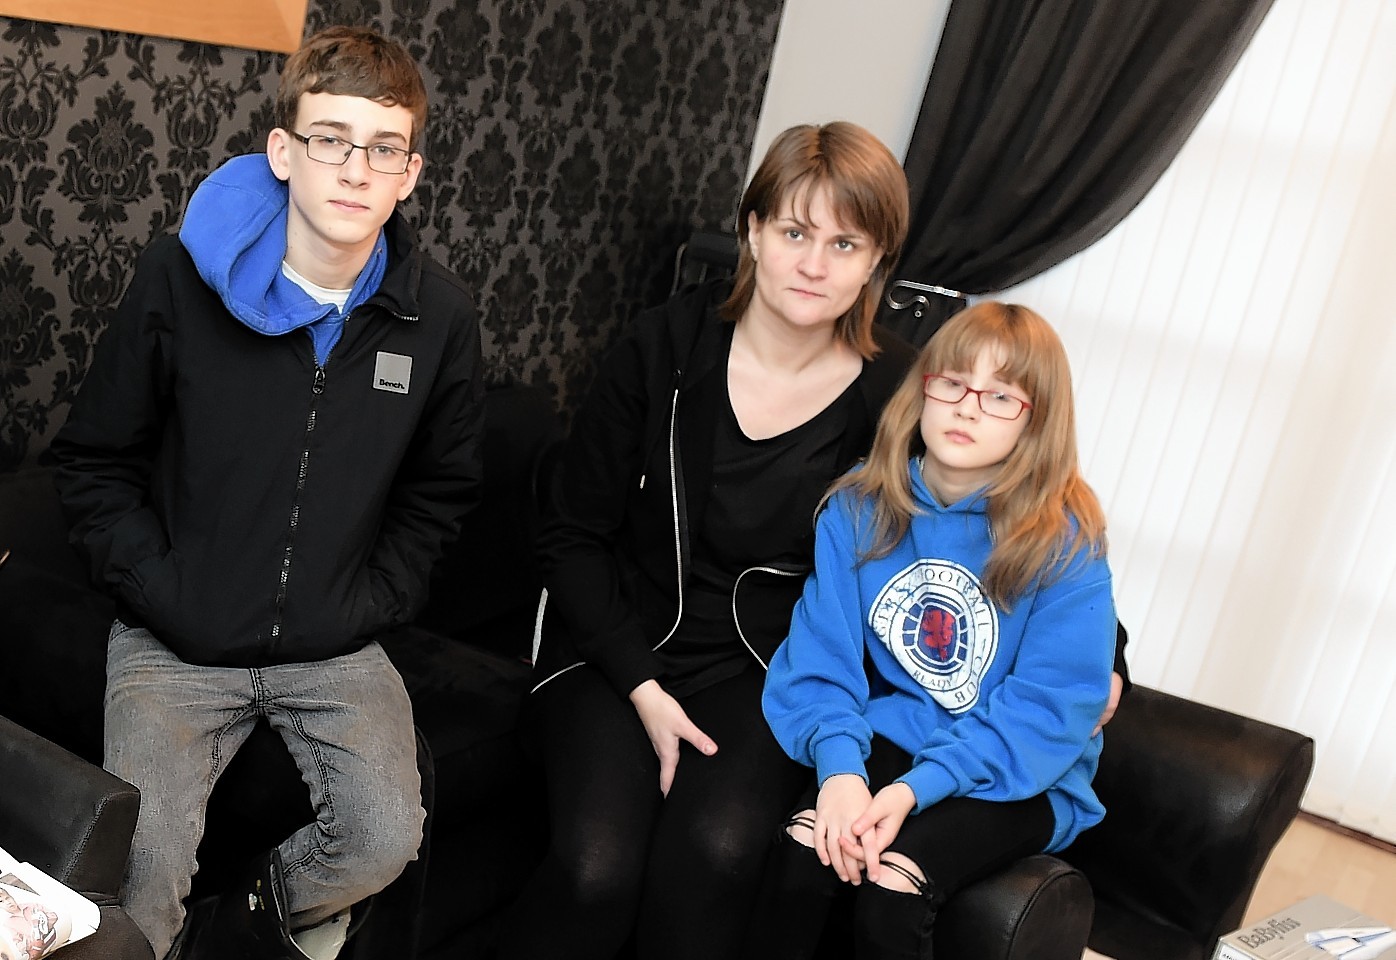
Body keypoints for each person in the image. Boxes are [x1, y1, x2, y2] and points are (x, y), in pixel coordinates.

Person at [48, 25, 483, 960]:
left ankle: (240, 926)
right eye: (331, 138)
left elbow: (442, 489)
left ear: (410, 173)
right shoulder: (178, 279)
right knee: (142, 874)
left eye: (383, 148)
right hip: (176, 638)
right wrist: (160, 590)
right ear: (283, 152)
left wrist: (374, 598)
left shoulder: (438, 315)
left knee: (384, 837)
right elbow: (90, 463)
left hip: (334, 641)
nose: (355, 169)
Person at [496, 122, 915, 960]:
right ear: (753, 231)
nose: (814, 263)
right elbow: (571, 534)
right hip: (615, 645)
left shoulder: (895, 393)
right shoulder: (661, 348)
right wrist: (643, 687)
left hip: (768, 672)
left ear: (874, 262)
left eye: (844, 242)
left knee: (716, 851)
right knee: (595, 870)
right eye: (794, 232)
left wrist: (1109, 652)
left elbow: (1000, 516)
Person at [746, 302, 1116, 960]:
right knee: (810, 845)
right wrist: (839, 773)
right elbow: (818, 664)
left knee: (894, 882)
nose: (968, 407)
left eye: (1001, 396)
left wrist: (915, 789)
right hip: (903, 732)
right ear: (922, 390)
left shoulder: (1066, 542)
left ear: (1039, 420)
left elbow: (1047, 712)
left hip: (1023, 767)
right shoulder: (857, 510)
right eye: (952, 382)